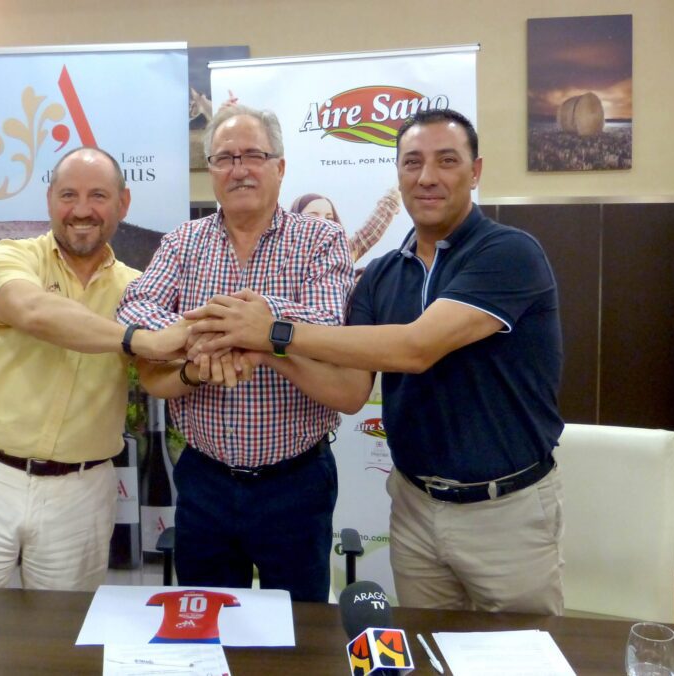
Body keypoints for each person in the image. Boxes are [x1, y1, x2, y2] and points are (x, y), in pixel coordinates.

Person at [186, 109, 565, 615]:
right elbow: (349, 393)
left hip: (505, 511)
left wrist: (273, 332)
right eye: (412, 162)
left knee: (518, 652)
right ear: (399, 174)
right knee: (426, 648)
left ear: (475, 172)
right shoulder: (380, 276)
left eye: (446, 161)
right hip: (413, 507)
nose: (426, 177)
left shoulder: (509, 253)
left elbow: (415, 348)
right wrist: (264, 348)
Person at [116, 104, 353, 602]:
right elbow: (134, 306)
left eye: (253, 155)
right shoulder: (183, 242)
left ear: (280, 167)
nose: (239, 169)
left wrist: (260, 324)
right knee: (207, 621)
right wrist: (202, 333)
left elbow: (328, 320)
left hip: (297, 483)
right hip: (205, 481)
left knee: (299, 625)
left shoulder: (322, 239)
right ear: (211, 171)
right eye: (224, 158)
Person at [0, 147, 187, 591]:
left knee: (65, 631)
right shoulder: (8, 256)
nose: (81, 210)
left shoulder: (137, 288)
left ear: (123, 203)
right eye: (68, 195)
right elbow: (33, 311)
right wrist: (136, 337)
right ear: (50, 200)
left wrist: (199, 365)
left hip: (82, 493)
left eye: (98, 195)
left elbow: (157, 373)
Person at [290, 189, 401, 262]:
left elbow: (376, 221)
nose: (324, 222)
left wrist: (400, 180)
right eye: (313, 216)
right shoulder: (282, 256)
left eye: (329, 218)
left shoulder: (343, 253)